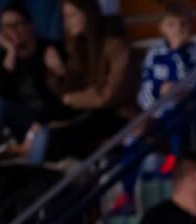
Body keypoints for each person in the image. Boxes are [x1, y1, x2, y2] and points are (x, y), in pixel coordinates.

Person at [113, 0, 196, 212]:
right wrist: (148, 113)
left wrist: (177, 53)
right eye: (172, 25)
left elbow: (194, 84)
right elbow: (146, 88)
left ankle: (173, 159)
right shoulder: (154, 53)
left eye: (183, 24)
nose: (178, 30)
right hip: (157, 113)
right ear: (162, 28)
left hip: (188, 113)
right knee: (131, 140)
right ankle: (126, 195)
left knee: (175, 114)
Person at [44, 0, 137, 161]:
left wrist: (72, 99)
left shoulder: (116, 45)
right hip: (94, 113)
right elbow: (71, 88)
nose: (67, 22)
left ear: (88, 15)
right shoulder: (78, 45)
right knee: (52, 131)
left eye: (72, 15)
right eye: (65, 16)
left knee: (65, 138)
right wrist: (59, 71)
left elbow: (110, 94)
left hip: (120, 114)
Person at [0, 3, 70, 162]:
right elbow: (0, 93)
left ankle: (34, 174)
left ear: (31, 26)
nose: (13, 31)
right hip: (24, 121)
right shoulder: (4, 57)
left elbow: (61, 99)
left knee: (41, 136)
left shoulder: (50, 51)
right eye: (7, 26)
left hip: (51, 121)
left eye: (17, 24)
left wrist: (37, 127)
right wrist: (11, 53)